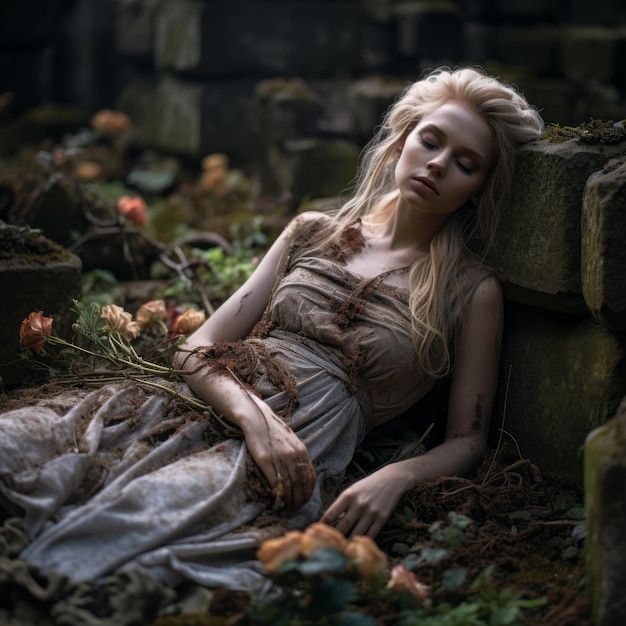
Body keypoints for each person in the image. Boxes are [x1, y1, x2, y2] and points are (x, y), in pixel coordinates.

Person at [0, 67, 543, 619]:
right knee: (18, 443)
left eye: (465, 163)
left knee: (132, 523)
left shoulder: (470, 289)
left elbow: (468, 438)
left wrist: (396, 477)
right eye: (431, 141)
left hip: (298, 449)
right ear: (403, 138)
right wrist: (255, 419)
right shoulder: (313, 231)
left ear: (479, 188)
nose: (438, 164)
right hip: (201, 401)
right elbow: (195, 347)